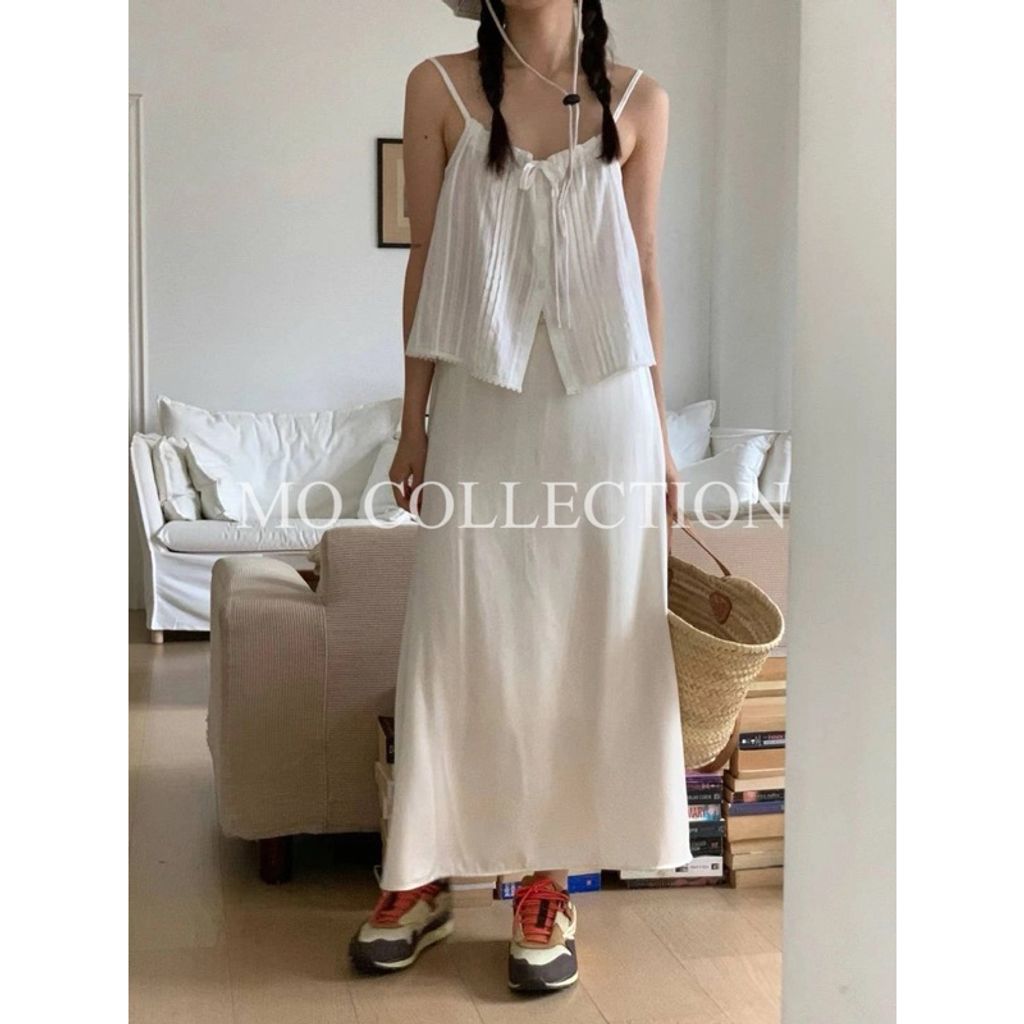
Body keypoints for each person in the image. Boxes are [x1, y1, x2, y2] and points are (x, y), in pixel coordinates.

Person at [349, 0, 691, 992]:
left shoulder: (641, 100)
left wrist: (661, 439)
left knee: (584, 638)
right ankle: (421, 874)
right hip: (481, 406)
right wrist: (413, 421)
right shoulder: (437, 86)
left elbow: (643, 265)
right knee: (456, 633)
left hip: (605, 415)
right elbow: (425, 262)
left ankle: (546, 882)